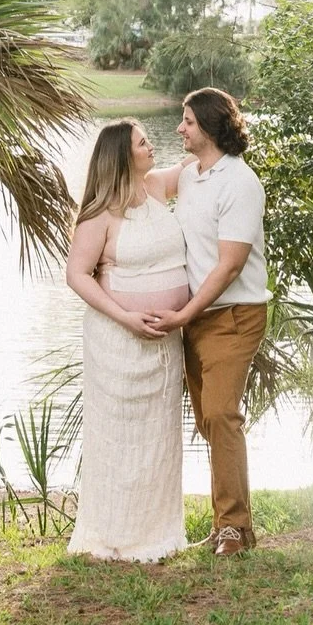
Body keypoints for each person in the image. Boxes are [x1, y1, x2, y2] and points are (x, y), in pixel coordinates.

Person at [143, 87, 269, 555]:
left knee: (220, 415)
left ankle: (236, 528)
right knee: (207, 421)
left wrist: (183, 314)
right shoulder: (191, 174)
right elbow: (144, 183)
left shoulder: (240, 183)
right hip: (197, 318)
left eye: (189, 121)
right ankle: (224, 525)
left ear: (211, 127)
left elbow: (230, 265)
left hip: (234, 315)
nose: (180, 128)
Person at [64, 119, 190, 562]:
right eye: (143, 143)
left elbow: (197, 163)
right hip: (117, 343)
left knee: (158, 437)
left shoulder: (156, 187)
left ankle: (156, 533)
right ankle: (115, 535)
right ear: (122, 156)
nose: (152, 147)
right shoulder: (100, 214)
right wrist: (126, 318)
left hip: (164, 346)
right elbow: (77, 275)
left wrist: (217, 126)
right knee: (119, 438)